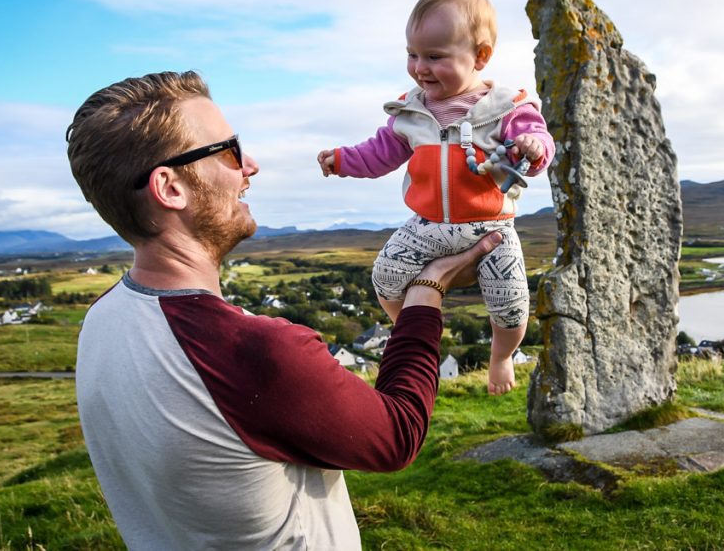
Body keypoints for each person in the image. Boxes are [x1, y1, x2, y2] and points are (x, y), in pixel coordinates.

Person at [66, 70, 502, 550]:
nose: (249, 165)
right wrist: (426, 289)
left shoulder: (101, 320)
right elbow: (398, 434)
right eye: (228, 150)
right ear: (170, 188)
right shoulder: (253, 353)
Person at [317, 0, 554, 395]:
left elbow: (540, 143)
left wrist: (534, 148)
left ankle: (501, 357)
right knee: (386, 276)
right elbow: (379, 153)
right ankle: (415, 332)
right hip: (426, 224)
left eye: (435, 56)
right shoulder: (413, 113)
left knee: (512, 304)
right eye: (412, 54)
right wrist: (342, 160)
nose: (420, 67)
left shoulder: (506, 110)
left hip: (492, 227)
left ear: (480, 56)